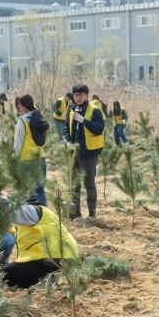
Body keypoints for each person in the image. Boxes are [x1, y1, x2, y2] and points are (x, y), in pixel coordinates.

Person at [65, 84, 105, 219]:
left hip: (88, 153)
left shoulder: (95, 110)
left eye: (81, 95)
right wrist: (66, 139)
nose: (78, 97)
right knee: (74, 184)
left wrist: (84, 121)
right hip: (74, 153)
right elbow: (66, 127)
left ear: (86, 95)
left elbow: (99, 128)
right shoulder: (71, 109)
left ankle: (92, 213)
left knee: (89, 184)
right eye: (76, 95)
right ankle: (75, 213)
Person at [13, 94, 49, 206]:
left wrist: (14, 159)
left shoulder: (23, 120)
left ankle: (32, 214)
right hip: (40, 157)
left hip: (27, 159)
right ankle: (44, 213)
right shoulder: (38, 117)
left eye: (19, 105)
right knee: (40, 190)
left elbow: (18, 143)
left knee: (30, 191)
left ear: (23, 106)